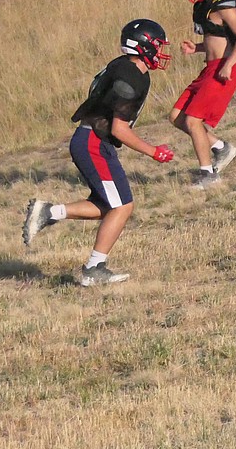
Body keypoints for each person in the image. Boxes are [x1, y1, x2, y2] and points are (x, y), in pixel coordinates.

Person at [23, 18, 175, 286]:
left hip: (90, 140)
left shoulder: (125, 67)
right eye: (156, 45)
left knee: (108, 206)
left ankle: (49, 212)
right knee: (122, 206)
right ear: (143, 46)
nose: (160, 52)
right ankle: (94, 269)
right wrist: (153, 152)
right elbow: (119, 129)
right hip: (93, 143)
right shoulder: (130, 77)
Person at [171, 0, 236, 190]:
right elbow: (215, 39)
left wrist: (229, 64)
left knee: (193, 120)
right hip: (209, 69)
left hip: (222, 70)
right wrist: (197, 48)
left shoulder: (223, 3)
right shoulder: (204, 6)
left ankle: (208, 175)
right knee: (177, 117)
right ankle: (221, 148)